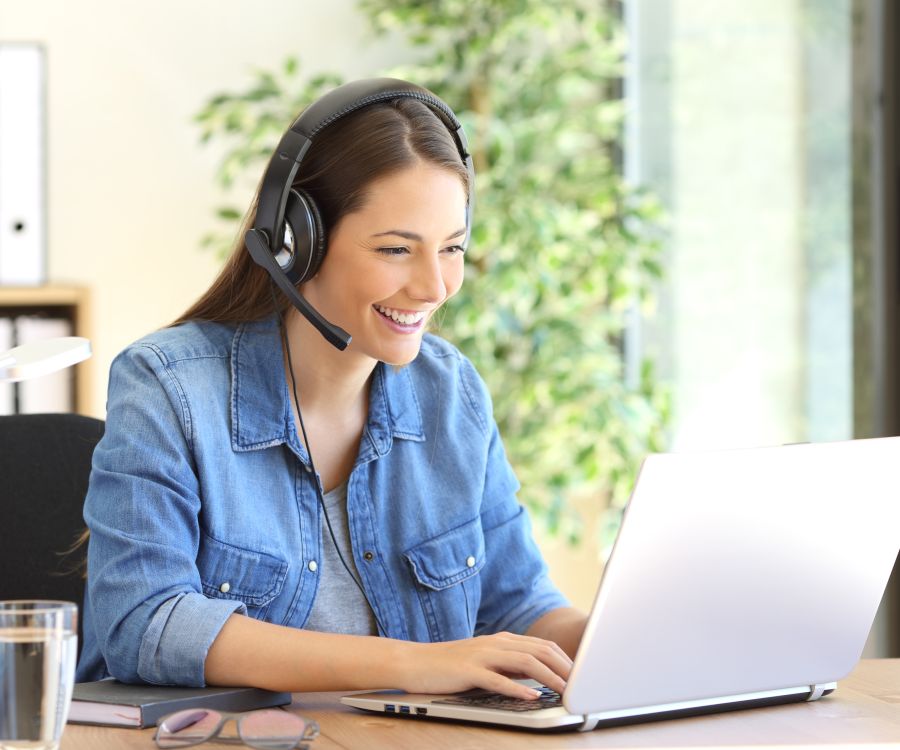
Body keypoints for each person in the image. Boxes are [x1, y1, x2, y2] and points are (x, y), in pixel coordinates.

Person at [76, 79, 587, 700]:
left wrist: (625, 634)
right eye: (397, 249)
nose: (435, 287)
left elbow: (520, 604)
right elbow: (144, 621)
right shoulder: (168, 386)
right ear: (299, 243)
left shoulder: (451, 394)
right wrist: (410, 665)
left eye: (451, 248)